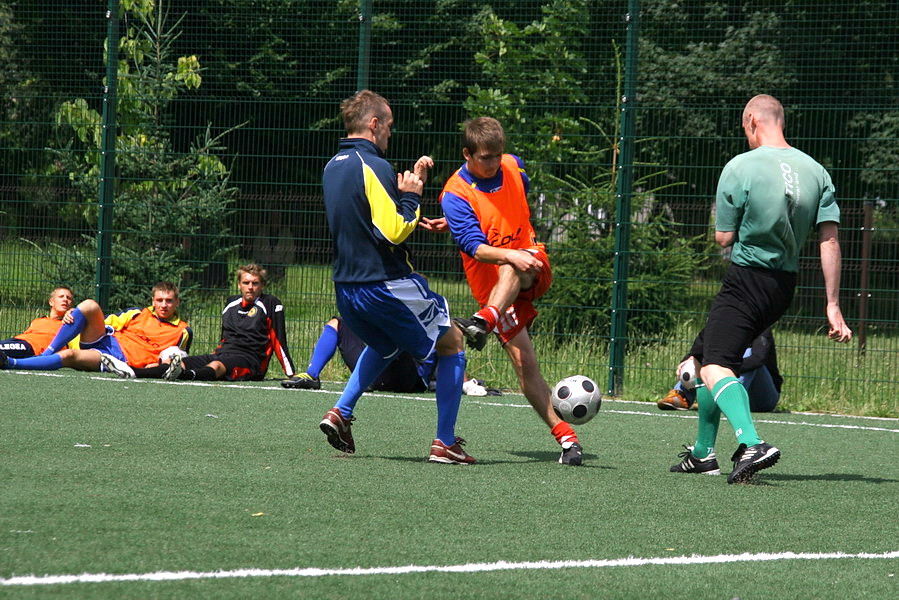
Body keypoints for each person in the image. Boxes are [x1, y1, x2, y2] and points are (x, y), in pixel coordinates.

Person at [669, 94, 852, 484]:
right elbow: (830, 241)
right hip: (783, 287)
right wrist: (833, 305)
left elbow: (722, 238)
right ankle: (702, 453)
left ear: (752, 121)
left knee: (717, 365)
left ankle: (752, 442)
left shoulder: (740, 166)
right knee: (702, 357)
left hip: (746, 280)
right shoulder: (817, 171)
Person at [317, 89, 473, 465]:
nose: (390, 133)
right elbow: (393, 230)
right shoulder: (375, 166)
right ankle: (445, 443)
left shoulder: (333, 165)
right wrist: (413, 195)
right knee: (452, 341)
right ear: (373, 124)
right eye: (388, 125)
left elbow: (367, 221)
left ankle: (340, 412)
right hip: (384, 283)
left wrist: (409, 191)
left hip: (346, 287)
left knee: (387, 344)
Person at [424, 116, 584, 466]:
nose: (495, 162)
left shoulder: (515, 166)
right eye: (486, 157)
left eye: (499, 154)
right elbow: (474, 247)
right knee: (524, 361)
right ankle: (567, 437)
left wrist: (514, 250)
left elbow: (511, 205)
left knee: (515, 262)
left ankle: (484, 320)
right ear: (467, 153)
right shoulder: (454, 194)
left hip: (531, 264)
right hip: (492, 287)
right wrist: (456, 220)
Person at [122, 264, 297, 382]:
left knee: (216, 366)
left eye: (255, 283)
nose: (250, 287)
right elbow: (225, 336)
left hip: (250, 361)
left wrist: (291, 374)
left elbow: (279, 341)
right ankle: (132, 371)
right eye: (246, 283)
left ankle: (185, 376)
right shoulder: (230, 303)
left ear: (262, 285)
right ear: (239, 285)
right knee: (179, 362)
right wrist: (218, 352)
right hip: (223, 354)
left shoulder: (270, 303)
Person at [282, 316, 501, 396]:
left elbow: (450, 351)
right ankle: (312, 375)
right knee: (337, 324)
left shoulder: (435, 321)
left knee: (401, 332)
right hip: (381, 370)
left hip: (409, 378)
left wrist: (465, 383)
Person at [0, 282, 191, 373]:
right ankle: (45, 354)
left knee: (69, 357)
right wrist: (74, 315)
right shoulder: (138, 313)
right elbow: (103, 321)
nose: (164, 305)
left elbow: (177, 361)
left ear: (177, 302)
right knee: (89, 305)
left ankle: (9, 363)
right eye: (160, 300)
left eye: (169, 301)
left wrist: (156, 366)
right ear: (153, 301)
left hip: (117, 360)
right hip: (107, 340)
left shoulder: (183, 331)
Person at [658, 328, 782, 413]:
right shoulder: (722, 322)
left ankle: (727, 399)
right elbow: (699, 349)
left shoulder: (761, 326)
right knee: (703, 356)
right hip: (732, 376)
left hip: (763, 398)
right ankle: (681, 396)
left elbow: (757, 359)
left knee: (747, 352)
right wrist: (687, 360)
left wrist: (725, 366)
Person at [0, 286, 75, 358]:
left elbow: (83, 315)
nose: (65, 299)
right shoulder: (38, 321)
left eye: (69, 298)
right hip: (18, 342)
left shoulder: (71, 324)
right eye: (61, 296)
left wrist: (74, 313)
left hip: (33, 348)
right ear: (51, 302)